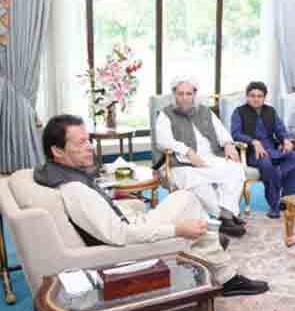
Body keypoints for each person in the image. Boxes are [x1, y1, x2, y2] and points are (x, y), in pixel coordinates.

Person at [34, 115, 268, 296]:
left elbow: (103, 219)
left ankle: (206, 247)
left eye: (89, 140)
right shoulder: (75, 189)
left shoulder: (64, 176)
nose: (89, 146)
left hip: (130, 224)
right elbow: (119, 235)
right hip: (127, 245)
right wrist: (177, 231)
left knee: (186, 197)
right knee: (189, 203)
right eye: (82, 142)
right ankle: (222, 271)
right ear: (57, 151)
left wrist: (126, 207)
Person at [155, 76, 246, 240]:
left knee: (234, 169)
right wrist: (188, 151)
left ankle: (226, 213)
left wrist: (228, 144)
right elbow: (163, 141)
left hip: (210, 157)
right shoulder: (165, 114)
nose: (184, 98)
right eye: (180, 93)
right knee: (195, 181)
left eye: (188, 94)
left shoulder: (204, 110)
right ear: (174, 94)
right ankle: (224, 217)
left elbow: (221, 131)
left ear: (194, 94)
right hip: (183, 163)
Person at [231, 82, 295, 219]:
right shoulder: (239, 112)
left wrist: (286, 140)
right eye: (252, 96)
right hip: (253, 152)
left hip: (272, 149)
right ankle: (274, 205)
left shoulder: (270, 111)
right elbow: (235, 133)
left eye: (260, 96)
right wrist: (253, 141)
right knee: (266, 164)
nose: (256, 99)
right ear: (247, 97)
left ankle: (287, 200)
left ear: (264, 97)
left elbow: (280, 129)